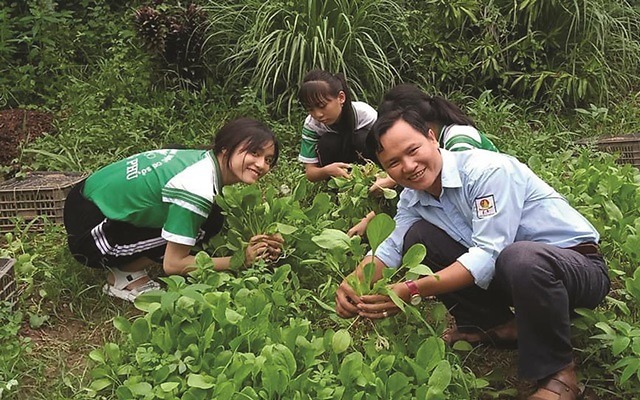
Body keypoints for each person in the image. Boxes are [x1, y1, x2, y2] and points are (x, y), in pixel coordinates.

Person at [334, 108, 610, 400]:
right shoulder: (412, 198)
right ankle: (497, 326)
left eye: (413, 150)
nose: (409, 165)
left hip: (576, 268)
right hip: (513, 274)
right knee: (418, 237)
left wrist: (412, 288)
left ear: (431, 138)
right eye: (393, 163)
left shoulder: (486, 170)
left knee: (520, 257)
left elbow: (488, 255)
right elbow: (390, 247)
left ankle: (559, 376)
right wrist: (356, 283)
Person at [64, 117, 284, 302]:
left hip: (86, 197)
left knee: (212, 218)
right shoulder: (197, 187)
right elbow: (173, 265)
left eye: (268, 159)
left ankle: (134, 251)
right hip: (90, 232)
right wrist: (239, 260)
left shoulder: (202, 159)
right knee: (198, 230)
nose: (261, 164)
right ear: (226, 148)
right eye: (254, 153)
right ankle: (124, 277)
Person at [347, 83, 499, 237]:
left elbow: (458, 187)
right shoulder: (433, 144)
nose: (409, 165)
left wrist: (393, 181)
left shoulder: (459, 140)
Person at [297, 69, 392, 188]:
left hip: (369, 165)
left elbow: (390, 150)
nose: (318, 114)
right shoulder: (312, 125)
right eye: (310, 109)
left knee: (362, 138)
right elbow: (310, 173)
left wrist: (390, 177)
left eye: (322, 106)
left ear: (341, 98)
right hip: (336, 172)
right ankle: (337, 190)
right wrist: (327, 171)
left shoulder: (365, 115)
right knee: (328, 142)